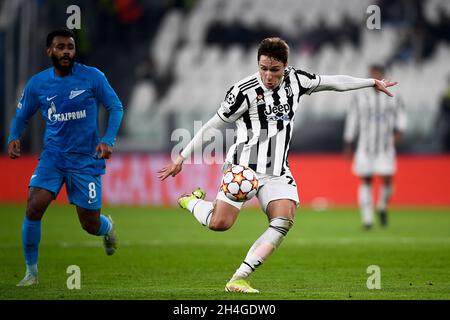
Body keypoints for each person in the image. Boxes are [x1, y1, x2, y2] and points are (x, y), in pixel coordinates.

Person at [158, 37, 397, 293]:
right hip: (242, 170)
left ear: (285, 66)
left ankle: (239, 277)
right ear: (258, 64)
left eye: (274, 70)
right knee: (220, 224)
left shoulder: (296, 80)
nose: (268, 75)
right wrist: (182, 156)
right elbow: (213, 125)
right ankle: (191, 201)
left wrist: (371, 83)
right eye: (263, 68)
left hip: (277, 172)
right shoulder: (242, 91)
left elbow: (332, 82)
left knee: (283, 219)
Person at [7, 29, 124, 286]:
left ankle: (107, 228)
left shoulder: (92, 77)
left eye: (70, 47)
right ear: (49, 51)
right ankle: (31, 273)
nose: (66, 52)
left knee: (89, 224)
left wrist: (107, 140)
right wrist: (14, 136)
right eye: (60, 47)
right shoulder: (38, 84)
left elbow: (115, 106)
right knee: (34, 205)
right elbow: (22, 115)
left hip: (86, 160)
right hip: (53, 157)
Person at [343, 64, 406, 230]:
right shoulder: (360, 96)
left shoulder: (394, 95)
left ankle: (382, 206)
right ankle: (368, 220)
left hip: (385, 147)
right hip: (365, 147)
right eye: (372, 73)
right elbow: (353, 119)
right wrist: (349, 141)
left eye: (377, 73)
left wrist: (399, 132)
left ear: (382, 75)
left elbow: (400, 115)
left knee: (387, 180)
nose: (375, 75)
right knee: (366, 180)